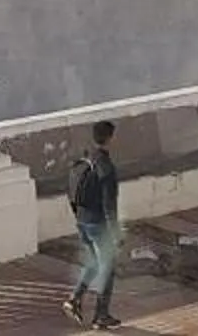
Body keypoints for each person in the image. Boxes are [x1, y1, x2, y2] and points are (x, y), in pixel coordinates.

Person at [64, 119, 121, 329]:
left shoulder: (84, 162)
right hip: (98, 224)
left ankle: (75, 299)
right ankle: (101, 315)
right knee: (108, 267)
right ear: (110, 139)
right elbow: (109, 205)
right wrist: (115, 232)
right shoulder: (106, 167)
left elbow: (71, 191)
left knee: (94, 263)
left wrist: (78, 217)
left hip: (82, 220)